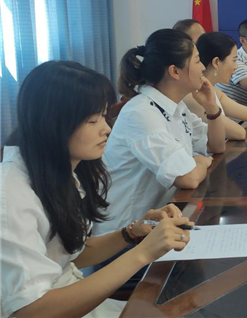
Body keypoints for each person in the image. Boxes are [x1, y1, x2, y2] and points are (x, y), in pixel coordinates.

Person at [1, 61, 192, 318]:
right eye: (93, 120)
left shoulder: (61, 171)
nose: (107, 128)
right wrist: (143, 252)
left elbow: (69, 255)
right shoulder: (10, 195)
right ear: (53, 124)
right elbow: (31, 310)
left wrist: (131, 233)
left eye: (103, 116)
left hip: (72, 294)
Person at [95, 29, 226, 237]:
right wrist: (201, 161)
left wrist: (212, 108)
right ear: (175, 71)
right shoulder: (142, 113)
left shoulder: (175, 106)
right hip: (123, 235)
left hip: (155, 224)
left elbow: (216, 145)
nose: (203, 67)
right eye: (197, 60)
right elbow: (189, 178)